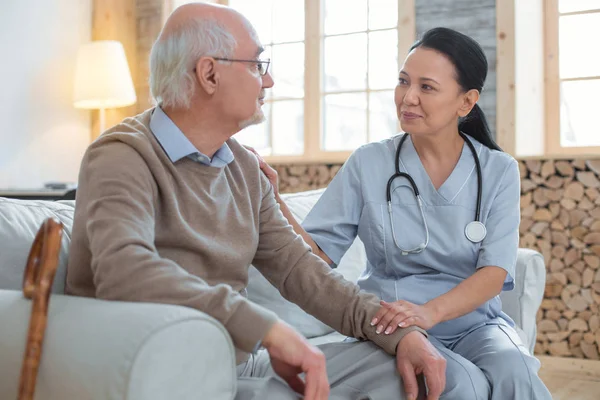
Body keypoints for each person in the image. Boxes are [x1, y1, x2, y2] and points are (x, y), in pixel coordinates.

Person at [64, 3, 454, 400]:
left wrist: (398, 332)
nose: (268, 80)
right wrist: (264, 328)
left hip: (235, 362)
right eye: (256, 65)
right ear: (209, 74)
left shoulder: (244, 169)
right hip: (154, 365)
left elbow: (302, 271)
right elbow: (123, 270)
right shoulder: (121, 156)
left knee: (399, 371)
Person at [256, 27, 552, 399]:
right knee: (455, 383)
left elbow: (494, 273)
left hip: (474, 324)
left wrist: (430, 311)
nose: (408, 98)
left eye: (427, 87)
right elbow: (317, 254)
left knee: (517, 370)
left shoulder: (499, 169)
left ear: (466, 102)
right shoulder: (369, 162)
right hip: (392, 323)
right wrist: (274, 201)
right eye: (403, 82)